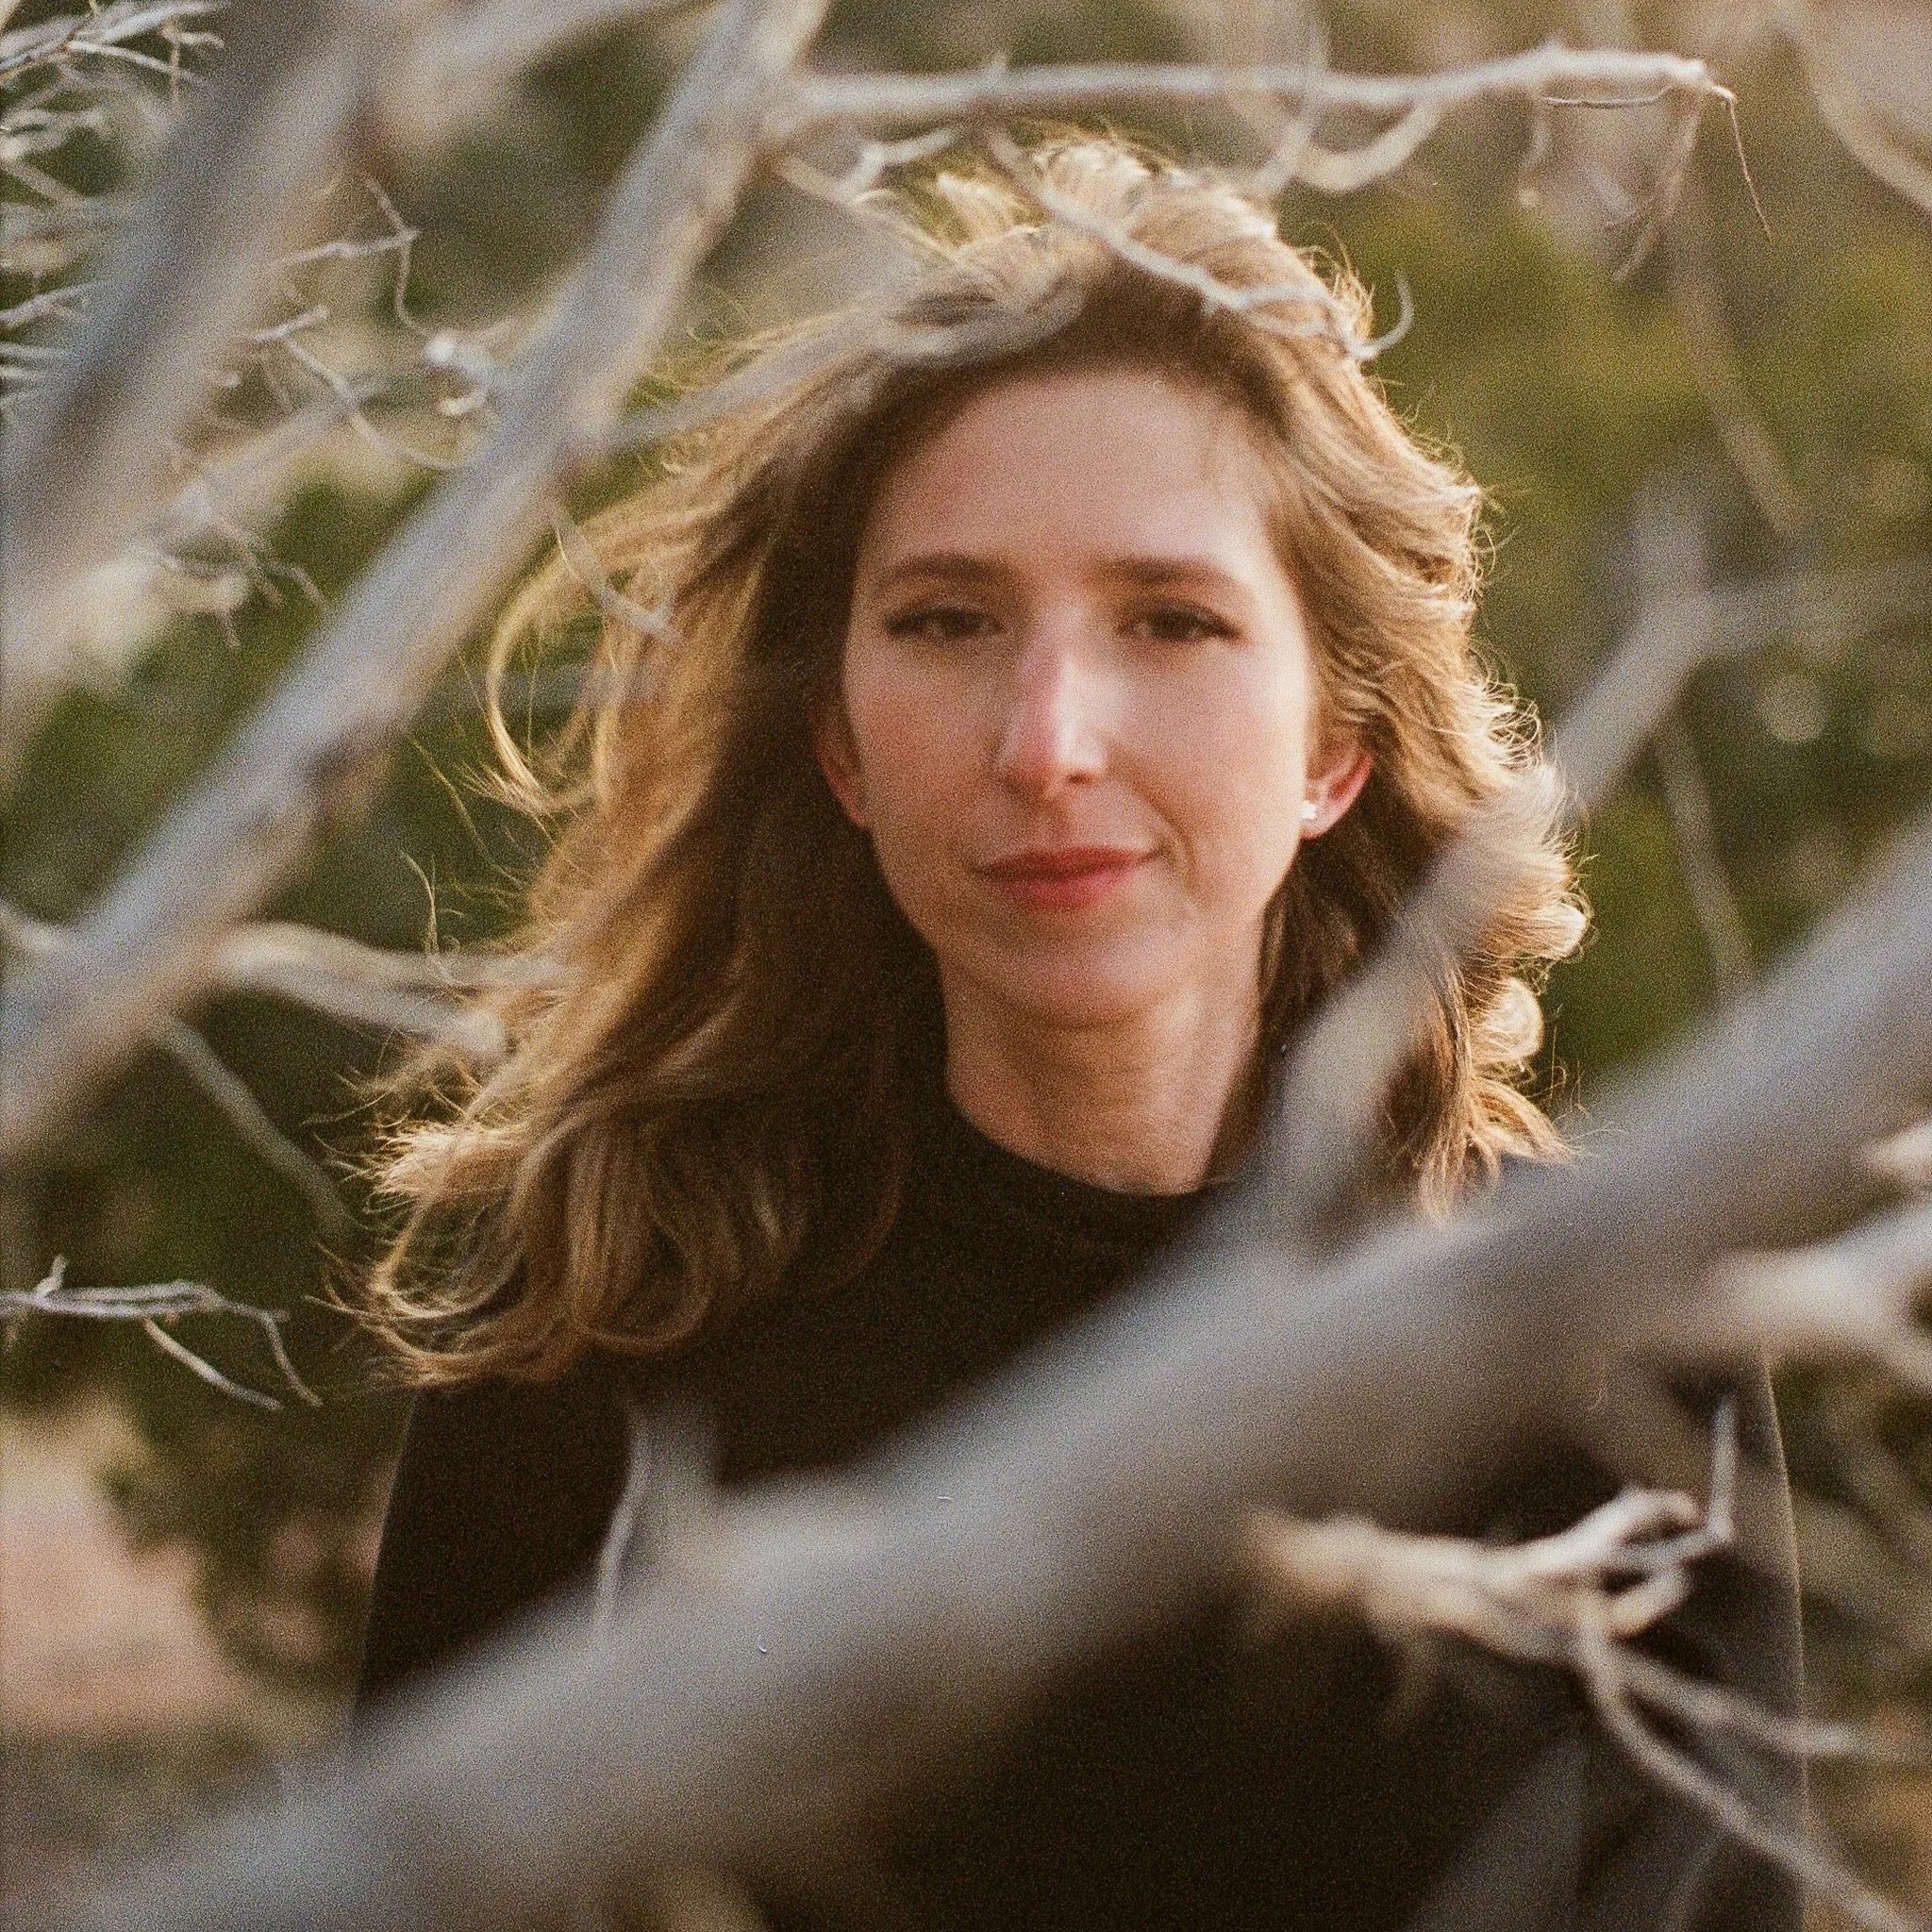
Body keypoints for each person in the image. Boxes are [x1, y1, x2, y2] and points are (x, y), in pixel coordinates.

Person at [354, 138, 1802, 1929]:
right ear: (841, 746)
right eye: (949, 621)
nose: (1047, 740)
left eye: (1170, 620)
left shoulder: (1608, 1351)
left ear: (1335, 747)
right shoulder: (607, 1317)